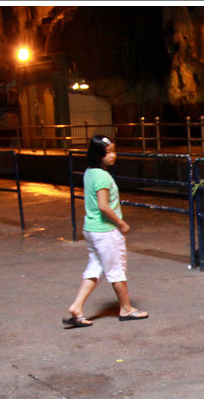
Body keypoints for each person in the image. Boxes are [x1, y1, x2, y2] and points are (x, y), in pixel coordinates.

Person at [64, 135, 149, 328]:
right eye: (108, 152)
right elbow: (103, 206)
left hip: (92, 230)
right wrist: (121, 223)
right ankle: (126, 309)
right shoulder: (102, 177)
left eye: (113, 150)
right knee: (117, 270)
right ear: (98, 155)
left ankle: (77, 307)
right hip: (106, 232)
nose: (113, 155)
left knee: (95, 269)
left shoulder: (89, 172)